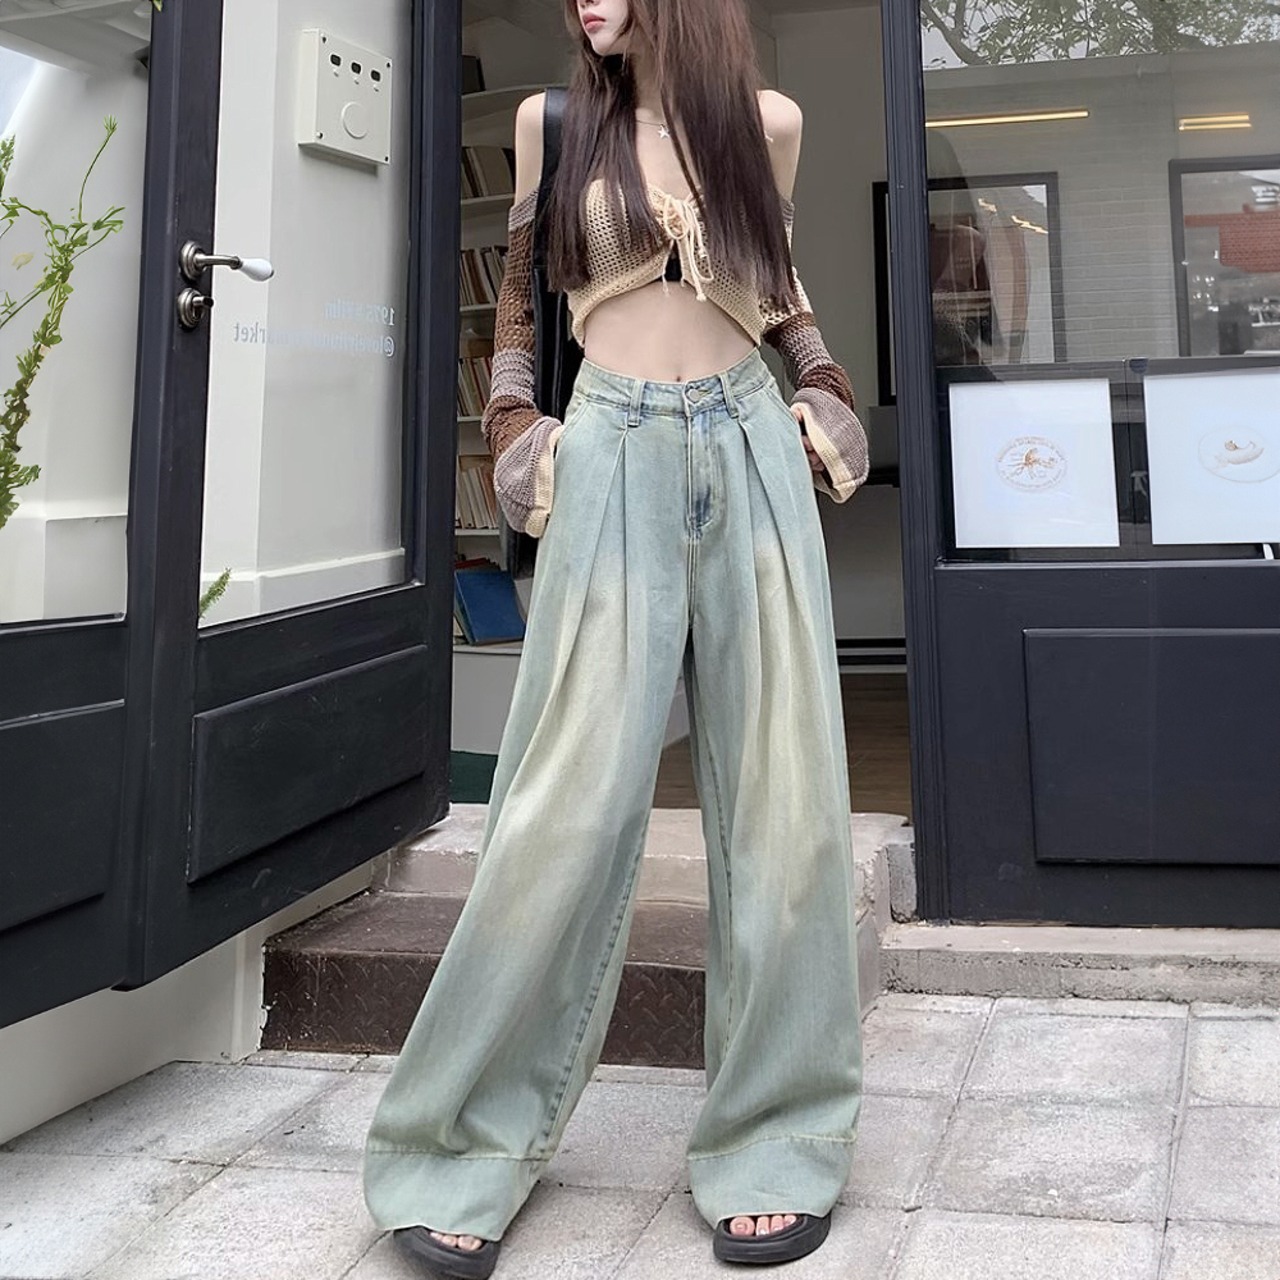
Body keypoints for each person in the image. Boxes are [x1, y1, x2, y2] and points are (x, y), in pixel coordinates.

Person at [363, 0, 869, 1273]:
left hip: (747, 442)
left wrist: (822, 386)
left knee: (786, 807)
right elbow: (517, 300)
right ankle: (463, 1141)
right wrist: (514, 425)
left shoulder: (768, 123)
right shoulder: (552, 124)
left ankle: (775, 1136)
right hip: (611, 446)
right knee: (560, 806)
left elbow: (778, 288)